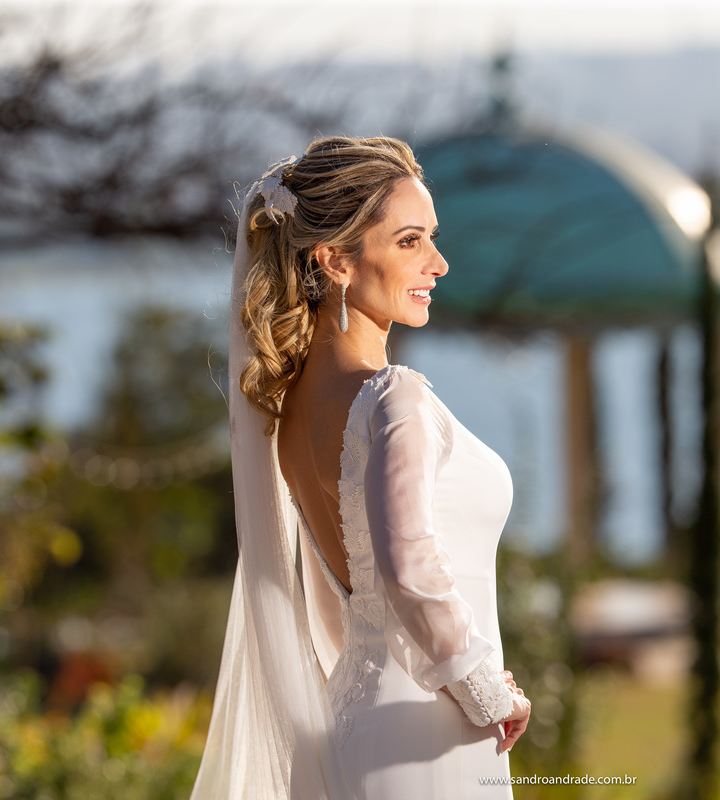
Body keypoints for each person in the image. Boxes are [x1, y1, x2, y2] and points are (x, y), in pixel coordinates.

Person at [190, 135, 530, 800]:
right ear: (336, 259)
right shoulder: (392, 397)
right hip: (427, 730)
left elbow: (346, 595)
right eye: (410, 241)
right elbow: (408, 570)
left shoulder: (286, 416)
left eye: (432, 237)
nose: (439, 261)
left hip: (353, 720)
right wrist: (490, 691)